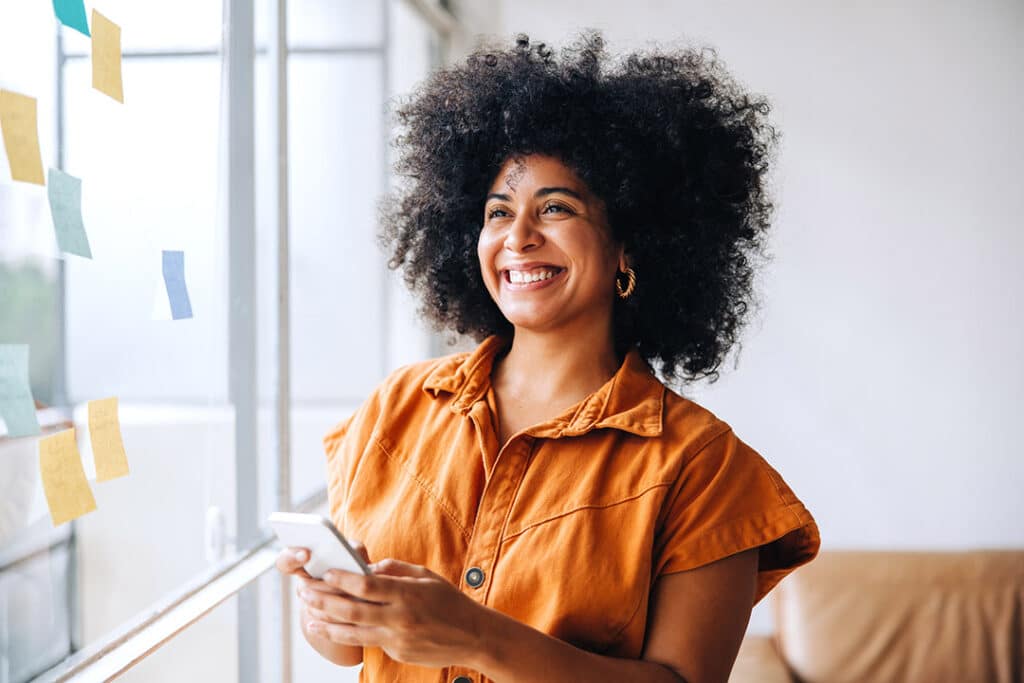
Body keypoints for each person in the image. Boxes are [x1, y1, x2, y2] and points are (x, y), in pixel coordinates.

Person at [276, 30, 820, 683]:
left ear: (630, 246)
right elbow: (345, 650)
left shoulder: (703, 468)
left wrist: (477, 636)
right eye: (497, 212)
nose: (518, 237)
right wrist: (332, 609)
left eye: (555, 207)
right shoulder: (399, 406)